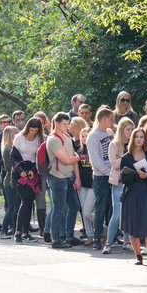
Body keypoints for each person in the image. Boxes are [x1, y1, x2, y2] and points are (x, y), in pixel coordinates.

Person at [120, 128, 147, 265]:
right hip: (131, 194)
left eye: (141, 137)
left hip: (146, 192)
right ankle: (138, 255)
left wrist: (146, 176)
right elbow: (123, 179)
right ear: (132, 139)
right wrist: (136, 174)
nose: (139, 139)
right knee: (133, 225)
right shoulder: (126, 158)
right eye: (136, 137)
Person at [46, 112, 82, 249]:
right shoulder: (53, 139)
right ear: (56, 123)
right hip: (57, 178)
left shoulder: (67, 136)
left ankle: (69, 236)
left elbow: (72, 157)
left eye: (68, 124)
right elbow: (68, 159)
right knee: (58, 208)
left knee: (74, 206)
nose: (67, 127)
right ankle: (56, 238)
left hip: (68, 177)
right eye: (64, 124)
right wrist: (76, 158)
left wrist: (77, 177)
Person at [103, 117, 135, 255]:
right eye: (128, 129)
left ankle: (127, 241)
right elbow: (115, 164)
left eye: (132, 129)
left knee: (129, 212)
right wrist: (128, 157)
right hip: (118, 182)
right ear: (122, 130)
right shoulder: (114, 144)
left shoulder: (135, 144)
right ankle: (108, 243)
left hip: (132, 182)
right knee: (117, 213)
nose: (131, 132)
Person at [10, 118, 44, 244]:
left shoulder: (39, 139)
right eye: (31, 130)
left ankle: (25, 232)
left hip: (32, 171)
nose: (33, 133)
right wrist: (20, 171)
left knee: (29, 202)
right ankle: (18, 232)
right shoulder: (19, 137)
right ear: (27, 128)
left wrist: (32, 170)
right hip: (19, 171)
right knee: (25, 201)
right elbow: (12, 157)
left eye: (36, 131)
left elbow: (39, 158)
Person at [86, 106, 115, 250]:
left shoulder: (110, 132)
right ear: (104, 119)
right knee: (101, 207)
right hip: (101, 178)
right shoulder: (93, 135)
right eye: (110, 119)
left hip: (112, 175)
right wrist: (109, 173)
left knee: (113, 207)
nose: (112, 122)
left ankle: (111, 236)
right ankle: (97, 237)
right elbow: (95, 160)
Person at [77, 127, 95, 246]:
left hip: (93, 185)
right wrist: (77, 180)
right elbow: (76, 167)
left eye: (87, 135)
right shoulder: (78, 150)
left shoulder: (95, 149)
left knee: (88, 212)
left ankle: (104, 229)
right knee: (84, 212)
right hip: (81, 184)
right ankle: (90, 236)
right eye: (82, 136)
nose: (84, 138)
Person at [0, 126, 19, 238]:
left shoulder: (12, 147)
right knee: (12, 207)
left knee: (15, 207)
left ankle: (14, 228)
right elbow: (8, 167)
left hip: (13, 180)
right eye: (15, 133)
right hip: (9, 181)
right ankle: (3, 230)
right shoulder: (7, 149)